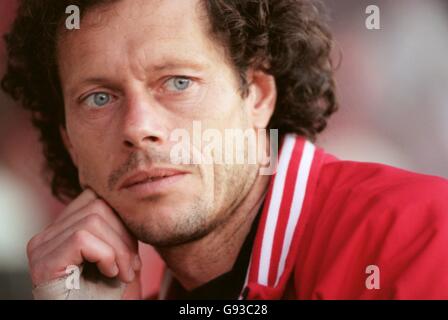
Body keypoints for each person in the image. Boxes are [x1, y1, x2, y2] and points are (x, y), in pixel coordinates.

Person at [2, 0, 448, 300]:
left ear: (256, 94)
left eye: (178, 82)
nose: (138, 128)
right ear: (69, 142)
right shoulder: (125, 287)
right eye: (99, 98)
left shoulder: (423, 234)